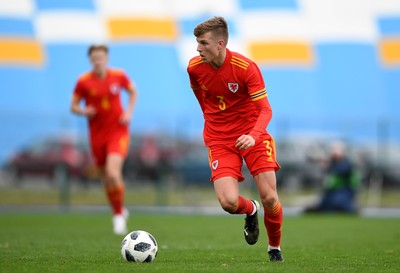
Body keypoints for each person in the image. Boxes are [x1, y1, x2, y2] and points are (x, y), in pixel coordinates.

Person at [187, 17, 284, 262]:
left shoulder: (245, 67)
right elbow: (202, 100)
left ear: (220, 44)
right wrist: (213, 125)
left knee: (270, 196)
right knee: (228, 202)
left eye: (203, 43)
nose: (198, 48)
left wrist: (253, 136)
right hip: (219, 139)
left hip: (252, 135)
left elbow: (266, 110)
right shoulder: (194, 68)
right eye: (197, 43)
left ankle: (274, 249)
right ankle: (251, 209)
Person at [70, 44, 137, 235]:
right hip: (97, 135)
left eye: (101, 56)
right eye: (94, 57)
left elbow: (133, 91)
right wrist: (84, 111)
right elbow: (73, 106)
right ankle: (119, 208)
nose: (98, 60)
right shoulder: (83, 81)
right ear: (90, 60)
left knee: (113, 173)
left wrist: (129, 112)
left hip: (118, 131)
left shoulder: (119, 75)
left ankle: (117, 216)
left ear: (106, 58)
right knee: (106, 177)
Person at [305, 141, 360, 213]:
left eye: (336, 150)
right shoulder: (332, 163)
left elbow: (342, 170)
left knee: (340, 206)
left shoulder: (346, 163)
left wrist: (329, 163)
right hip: (331, 194)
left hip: (343, 193)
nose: (333, 152)